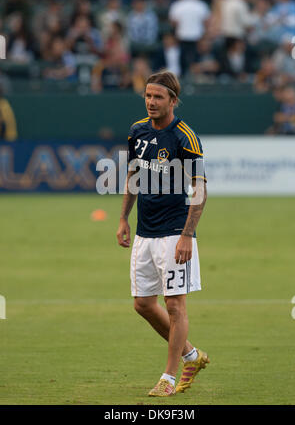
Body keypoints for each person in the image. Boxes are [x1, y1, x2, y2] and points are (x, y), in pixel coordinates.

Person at [116, 70, 209, 397]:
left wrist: (187, 235)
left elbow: (199, 190)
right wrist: (124, 218)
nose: (151, 102)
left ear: (173, 100)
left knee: (174, 304)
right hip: (144, 232)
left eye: (158, 97)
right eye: (147, 96)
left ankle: (168, 379)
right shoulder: (137, 131)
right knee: (142, 304)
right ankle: (192, 355)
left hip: (174, 232)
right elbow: (133, 177)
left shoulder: (185, 136)